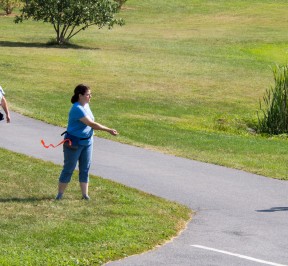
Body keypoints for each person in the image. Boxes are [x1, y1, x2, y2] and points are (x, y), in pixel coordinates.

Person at [56, 84, 118, 200]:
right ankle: (59, 195)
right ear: (80, 95)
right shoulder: (77, 108)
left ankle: (85, 195)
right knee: (69, 168)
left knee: (85, 168)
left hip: (87, 142)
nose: (90, 97)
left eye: (90, 94)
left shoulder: (86, 105)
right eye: (88, 94)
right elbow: (91, 124)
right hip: (74, 143)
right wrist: (108, 130)